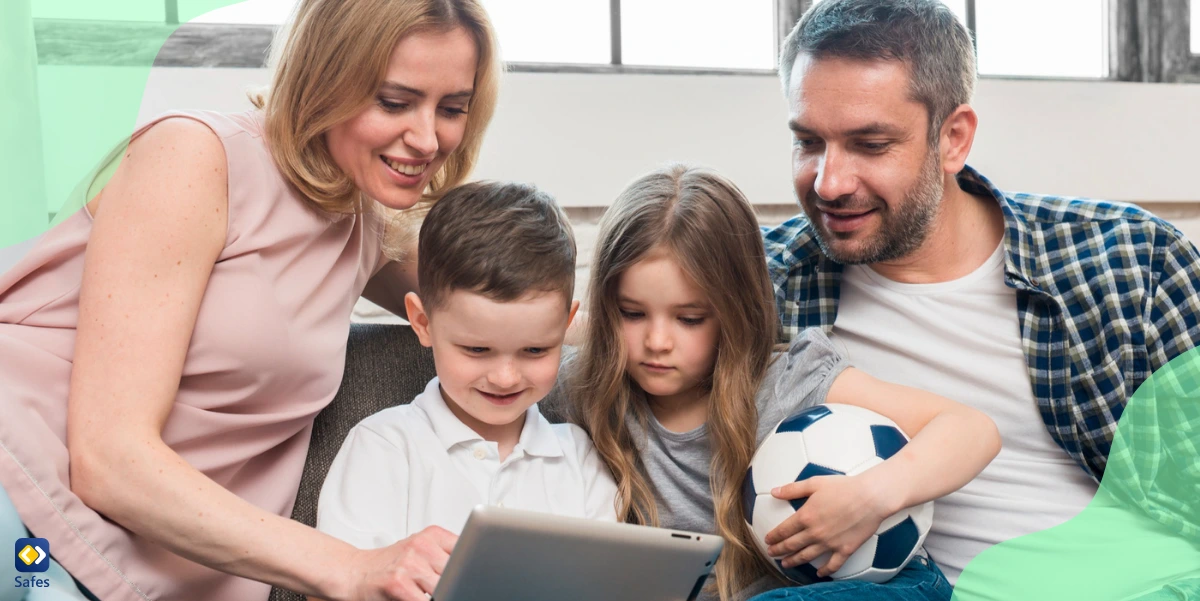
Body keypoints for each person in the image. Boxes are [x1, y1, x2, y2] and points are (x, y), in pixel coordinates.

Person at [0, 1, 502, 599]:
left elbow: (505, 310)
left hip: (126, 566)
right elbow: (109, 460)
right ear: (324, 78)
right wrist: (349, 565)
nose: (427, 138)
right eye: (393, 102)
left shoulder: (366, 221)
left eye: (452, 109)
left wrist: (632, 319)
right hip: (20, 489)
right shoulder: (196, 156)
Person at [762, 1, 1200, 599]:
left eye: (870, 144)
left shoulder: (1131, 260)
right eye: (808, 142)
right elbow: (604, 343)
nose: (829, 182)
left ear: (953, 138)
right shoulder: (761, 284)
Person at [565, 164, 1001, 601]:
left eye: (690, 319)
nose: (656, 342)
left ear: (735, 311)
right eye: (632, 313)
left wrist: (872, 495)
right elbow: (525, 342)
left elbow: (971, 429)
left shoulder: (786, 383)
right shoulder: (584, 389)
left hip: (873, 589)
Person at [314, 181, 618, 600]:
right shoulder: (384, 446)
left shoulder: (580, 459)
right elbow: (334, 588)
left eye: (535, 350)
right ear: (423, 323)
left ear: (566, 326)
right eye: (477, 350)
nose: (506, 377)